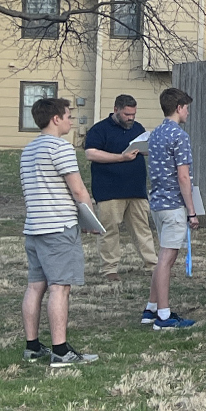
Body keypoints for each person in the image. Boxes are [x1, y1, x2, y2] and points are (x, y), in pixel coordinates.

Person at [20, 96, 99, 366]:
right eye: (68, 115)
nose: (70, 120)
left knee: (34, 286)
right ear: (56, 119)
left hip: (34, 227)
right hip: (59, 227)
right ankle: (60, 350)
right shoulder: (60, 148)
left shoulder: (28, 150)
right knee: (59, 288)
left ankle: (32, 346)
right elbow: (77, 190)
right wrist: (89, 218)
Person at [82, 93, 154, 281]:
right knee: (109, 230)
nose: (131, 118)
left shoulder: (137, 128)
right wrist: (121, 157)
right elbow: (91, 154)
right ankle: (109, 269)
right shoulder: (99, 130)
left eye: (133, 114)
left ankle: (152, 264)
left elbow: (143, 150)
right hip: (109, 190)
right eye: (127, 114)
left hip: (136, 189)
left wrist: (145, 148)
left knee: (142, 228)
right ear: (116, 110)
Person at [145, 87, 197, 330]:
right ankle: (163, 317)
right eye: (186, 107)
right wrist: (192, 211)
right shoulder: (179, 136)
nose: (188, 112)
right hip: (174, 204)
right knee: (168, 258)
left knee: (161, 258)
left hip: (156, 202)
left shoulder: (154, 134)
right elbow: (183, 176)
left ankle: (152, 307)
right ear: (179, 108)